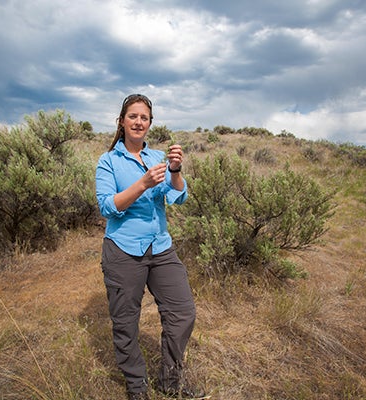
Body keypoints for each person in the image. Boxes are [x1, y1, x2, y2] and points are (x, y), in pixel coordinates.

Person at [95, 94, 205, 400]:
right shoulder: (109, 162)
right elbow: (107, 207)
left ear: (149, 124)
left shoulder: (158, 156)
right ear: (122, 121)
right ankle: (137, 388)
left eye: (144, 117)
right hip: (123, 250)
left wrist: (175, 169)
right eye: (133, 116)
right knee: (126, 324)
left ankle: (171, 382)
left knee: (183, 312)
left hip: (160, 247)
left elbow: (178, 197)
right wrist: (142, 184)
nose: (138, 122)